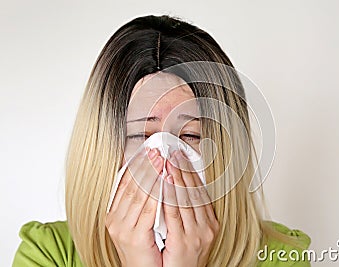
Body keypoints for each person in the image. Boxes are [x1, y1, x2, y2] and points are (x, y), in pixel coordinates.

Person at [13, 15, 311, 267]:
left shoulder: (281, 256)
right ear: (101, 147)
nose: (166, 158)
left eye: (191, 135)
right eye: (141, 136)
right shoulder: (48, 254)